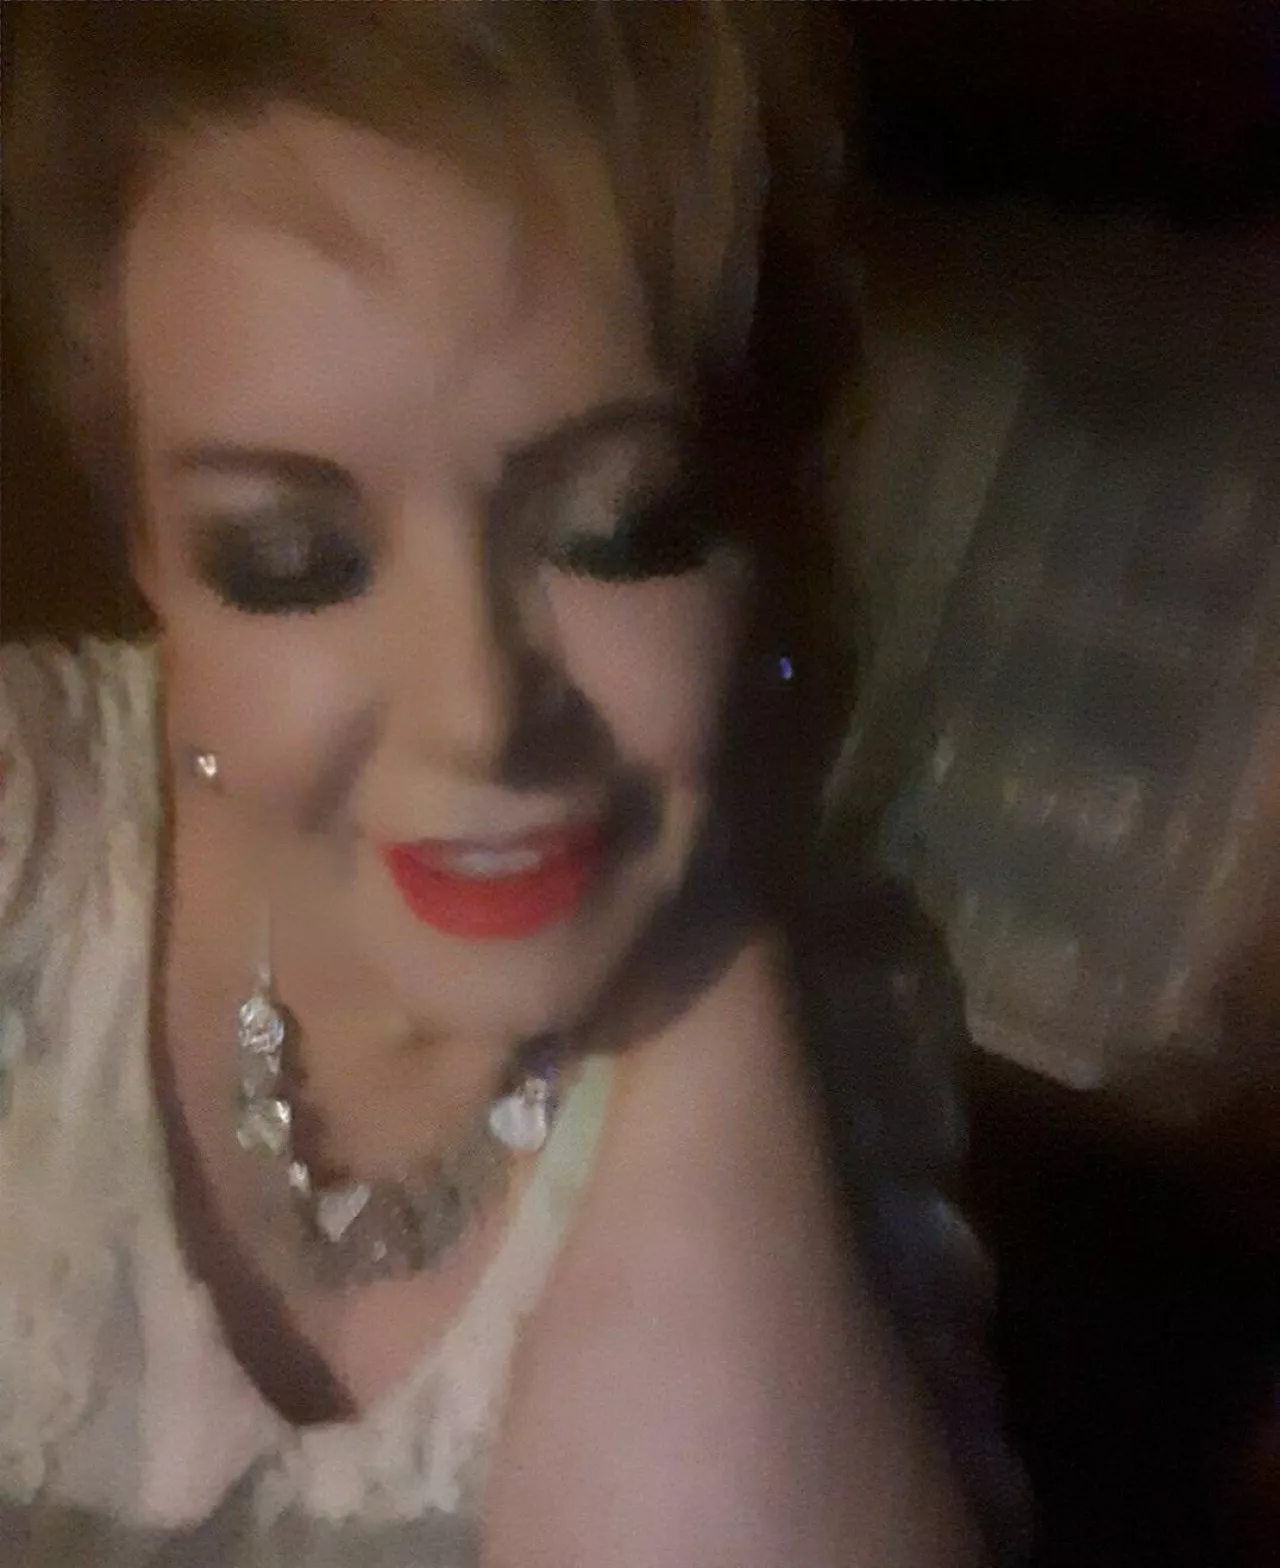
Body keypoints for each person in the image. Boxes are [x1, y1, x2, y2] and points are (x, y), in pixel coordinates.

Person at [0, 4, 987, 1563]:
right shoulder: (29, 846)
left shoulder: (831, 1017)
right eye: (290, 557)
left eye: (618, 525)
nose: (476, 716)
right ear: (151, 563)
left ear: (759, 533)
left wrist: (709, 878)